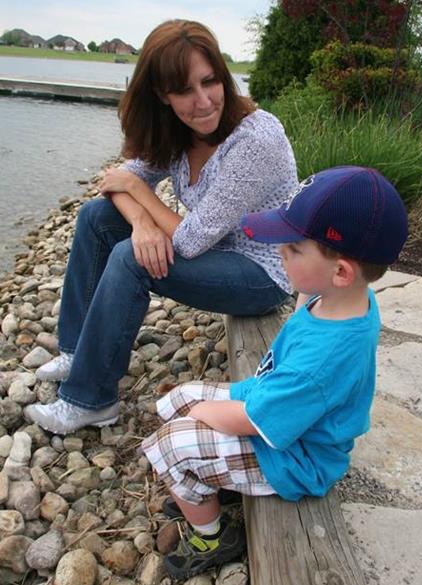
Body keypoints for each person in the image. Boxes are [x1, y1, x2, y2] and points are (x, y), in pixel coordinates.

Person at [24, 19, 298, 435]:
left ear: (224, 77)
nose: (203, 101)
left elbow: (188, 238)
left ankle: (91, 400)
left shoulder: (254, 139)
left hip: (263, 272)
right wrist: (141, 222)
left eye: (210, 82)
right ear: (161, 94)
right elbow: (113, 183)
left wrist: (140, 194)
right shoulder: (176, 132)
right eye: (185, 90)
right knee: (95, 218)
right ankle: (76, 350)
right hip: (217, 251)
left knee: (132, 259)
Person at [140, 165, 408, 580]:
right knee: (181, 397)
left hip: (295, 459)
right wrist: (196, 405)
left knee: (172, 442)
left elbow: (255, 419)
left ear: (340, 273)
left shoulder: (321, 363)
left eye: (293, 248)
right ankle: (205, 481)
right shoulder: (345, 300)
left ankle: (212, 536)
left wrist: (199, 416)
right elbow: (308, 296)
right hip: (279, 406)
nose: (280, 252)